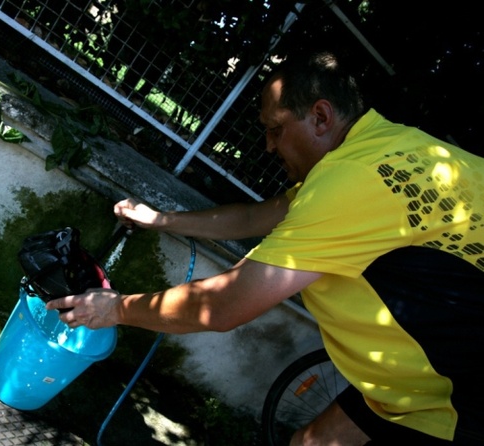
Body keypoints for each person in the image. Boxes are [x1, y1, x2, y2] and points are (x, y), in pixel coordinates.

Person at [46, 51, 484, 444]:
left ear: (320, 116)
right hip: (410, 386)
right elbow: (259, 217)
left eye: (275, 129)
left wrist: (116, 309)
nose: (269, 145)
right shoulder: (400, 148)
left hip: (456, 403)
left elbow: (223, 306)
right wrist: (162, 220)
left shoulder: (351, 184)